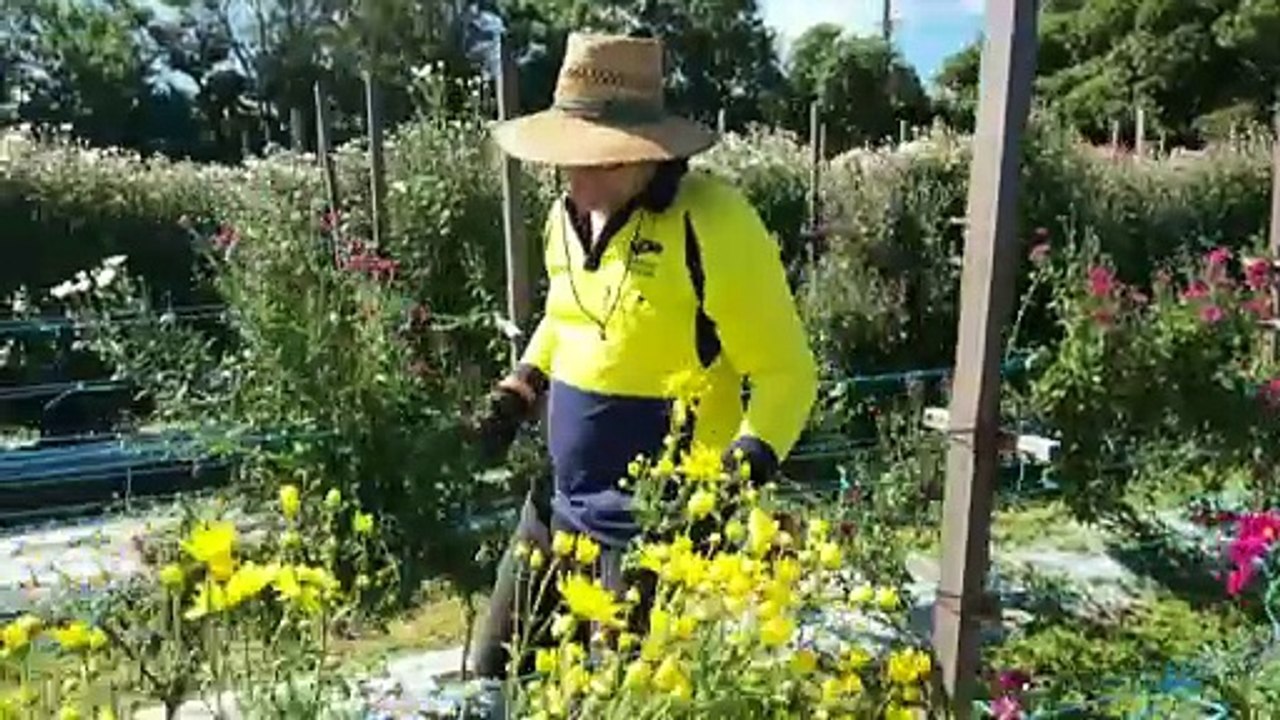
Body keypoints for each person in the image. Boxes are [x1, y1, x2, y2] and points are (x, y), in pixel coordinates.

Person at [468, 31, 818, 679]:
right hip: (560, 502)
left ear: (651, 157)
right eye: (568, 159)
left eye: (598, 160)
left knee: (621, 692)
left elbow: (787, 374)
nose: (577, 176)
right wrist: (519, 388)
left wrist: (738, 473)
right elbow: (564, 316)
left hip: (657, 526)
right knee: (496, 673)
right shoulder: (564, 217)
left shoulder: (714, 225)